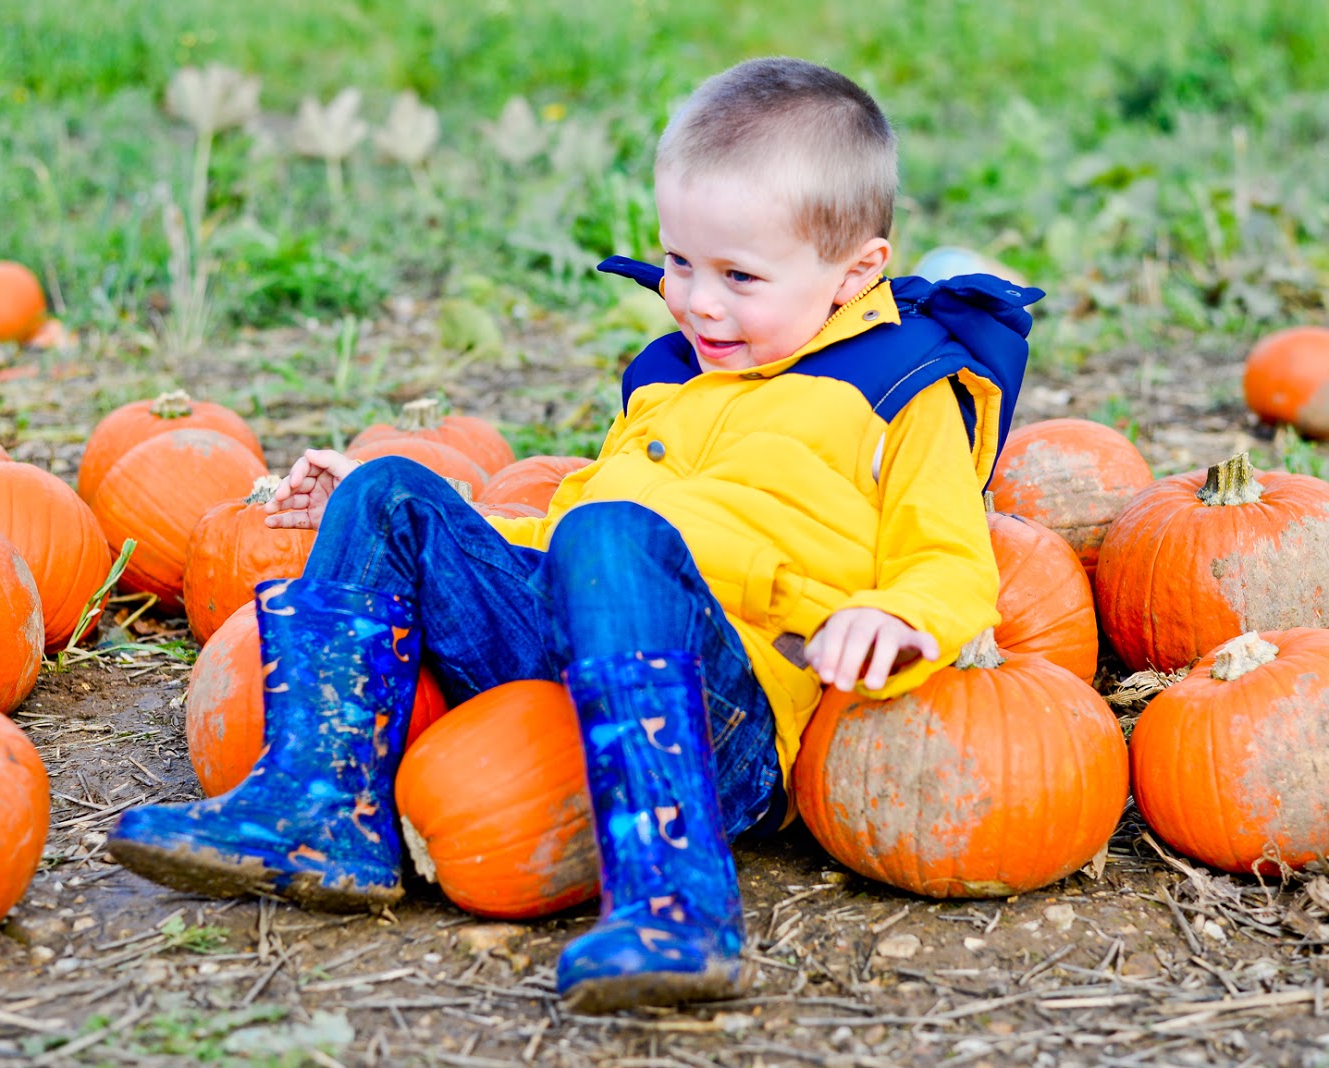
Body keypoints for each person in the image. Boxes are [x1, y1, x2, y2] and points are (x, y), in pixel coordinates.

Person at [107, 56, 1043, 1013]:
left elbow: (952, 558)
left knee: (613, 534)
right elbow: (562, 532)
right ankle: (316, 809)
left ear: (856, 273)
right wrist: (455, 529)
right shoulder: (673, 378)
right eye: (679, 262)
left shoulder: (903, 394)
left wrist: (901, 615)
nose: (697, 301)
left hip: (721, 716)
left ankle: (672, 900)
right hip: (574, 658)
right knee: (394, 490)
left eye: (739, 276)